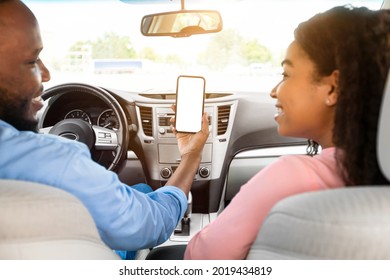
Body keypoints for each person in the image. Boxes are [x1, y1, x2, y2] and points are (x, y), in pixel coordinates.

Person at [0, 0, 209, 257]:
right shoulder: (57, 160)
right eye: (32, 61)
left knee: (141, 192)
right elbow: (151, 223)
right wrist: (191, 156)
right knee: (145, 197)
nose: (46, 74)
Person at [184, 5, 390, 260]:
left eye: (286, 74)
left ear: (332, 88)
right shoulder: (375, 178)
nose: (274, 91)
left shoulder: (291, 176)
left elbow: (201, 260)